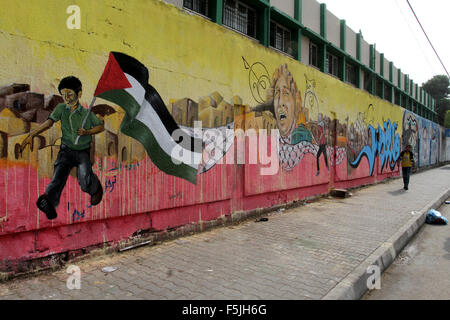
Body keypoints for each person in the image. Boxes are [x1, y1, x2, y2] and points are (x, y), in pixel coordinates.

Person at [20, 76, 104, 220]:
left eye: (70, 94)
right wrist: (31, 135)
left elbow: (100, 126)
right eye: (63, 94)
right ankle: (50, 203)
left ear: (79, 94)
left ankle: (95, 188)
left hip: (82, 152)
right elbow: (48, 123)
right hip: (66, 150)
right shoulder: (61, 109)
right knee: (58, 177)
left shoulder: (86, 114)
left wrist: (87, 132)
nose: (67, 98)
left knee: (84, 180)